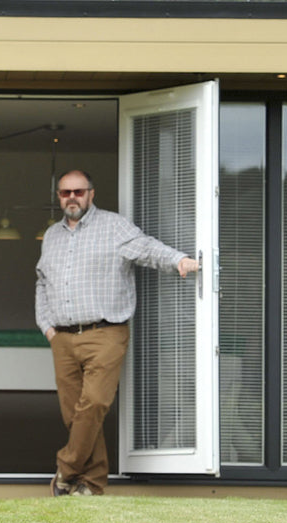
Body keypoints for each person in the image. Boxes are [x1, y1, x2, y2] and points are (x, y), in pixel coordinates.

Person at [34, 169, 199, 496]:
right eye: (66, 193)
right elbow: (42, 280)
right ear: (58, 197)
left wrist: (178, 260)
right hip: (63, 337)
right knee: (75, 415)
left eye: (78, 192)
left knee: (93, 403)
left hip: (105, 332)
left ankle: (65, 471)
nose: (72, 198)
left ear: (91, 194)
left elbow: (147, 248)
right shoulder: (52, 235)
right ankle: (91, 485)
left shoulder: (113, 226)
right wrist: (47, 326)